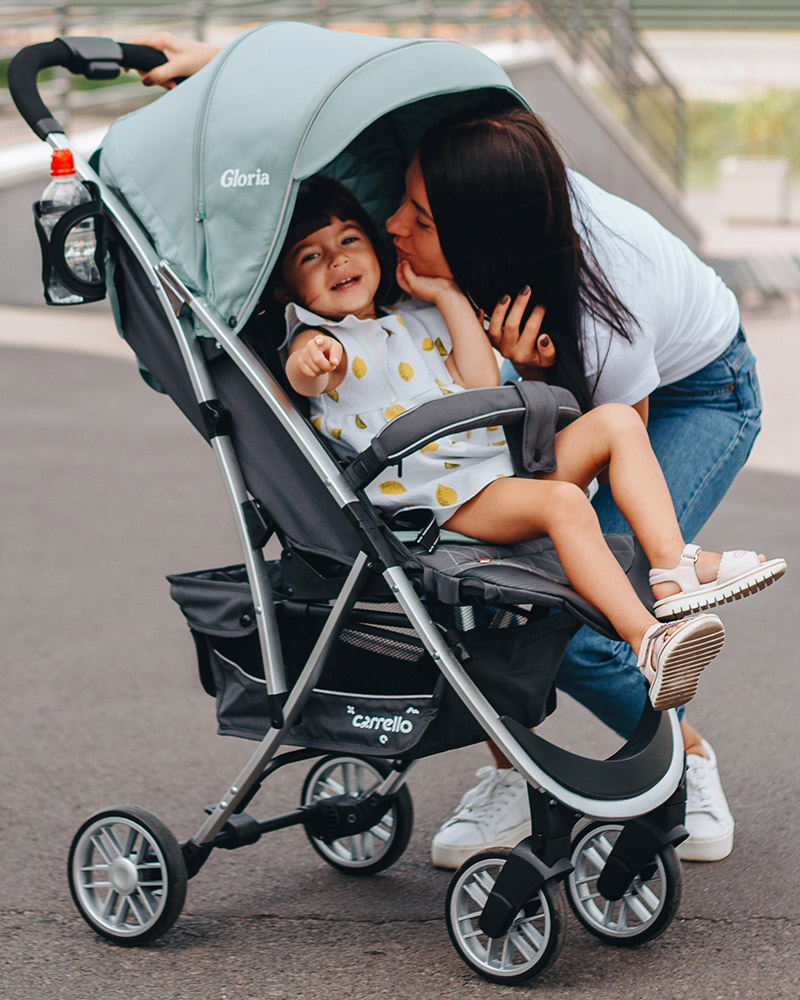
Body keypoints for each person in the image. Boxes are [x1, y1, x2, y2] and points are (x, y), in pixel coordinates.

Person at [129, 33, 785, 866]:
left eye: (416, 220)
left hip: (691, 391)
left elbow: (564, 416)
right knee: (534, 590)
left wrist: (518, 378)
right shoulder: (347, 316)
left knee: (577, 606)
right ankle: (524, 761)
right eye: (394, 209)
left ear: (474, 235)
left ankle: (678, 694)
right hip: (461, 478)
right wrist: (225, 66)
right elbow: (368, 76)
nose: (389, 227)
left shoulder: (589, 303)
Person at [274, 175, 784, 729]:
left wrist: (446, 296)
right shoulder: (318, 337)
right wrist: (312, 362)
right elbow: (303, 376)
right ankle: (648, 641)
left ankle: (671, 564)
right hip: (449, 500)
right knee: (563, 504)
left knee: (616, 422)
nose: (336, 259)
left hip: (500, 468)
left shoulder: (415, 316)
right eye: (310, 255)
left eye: (349, 239)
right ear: (285, 288)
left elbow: (477, 378)